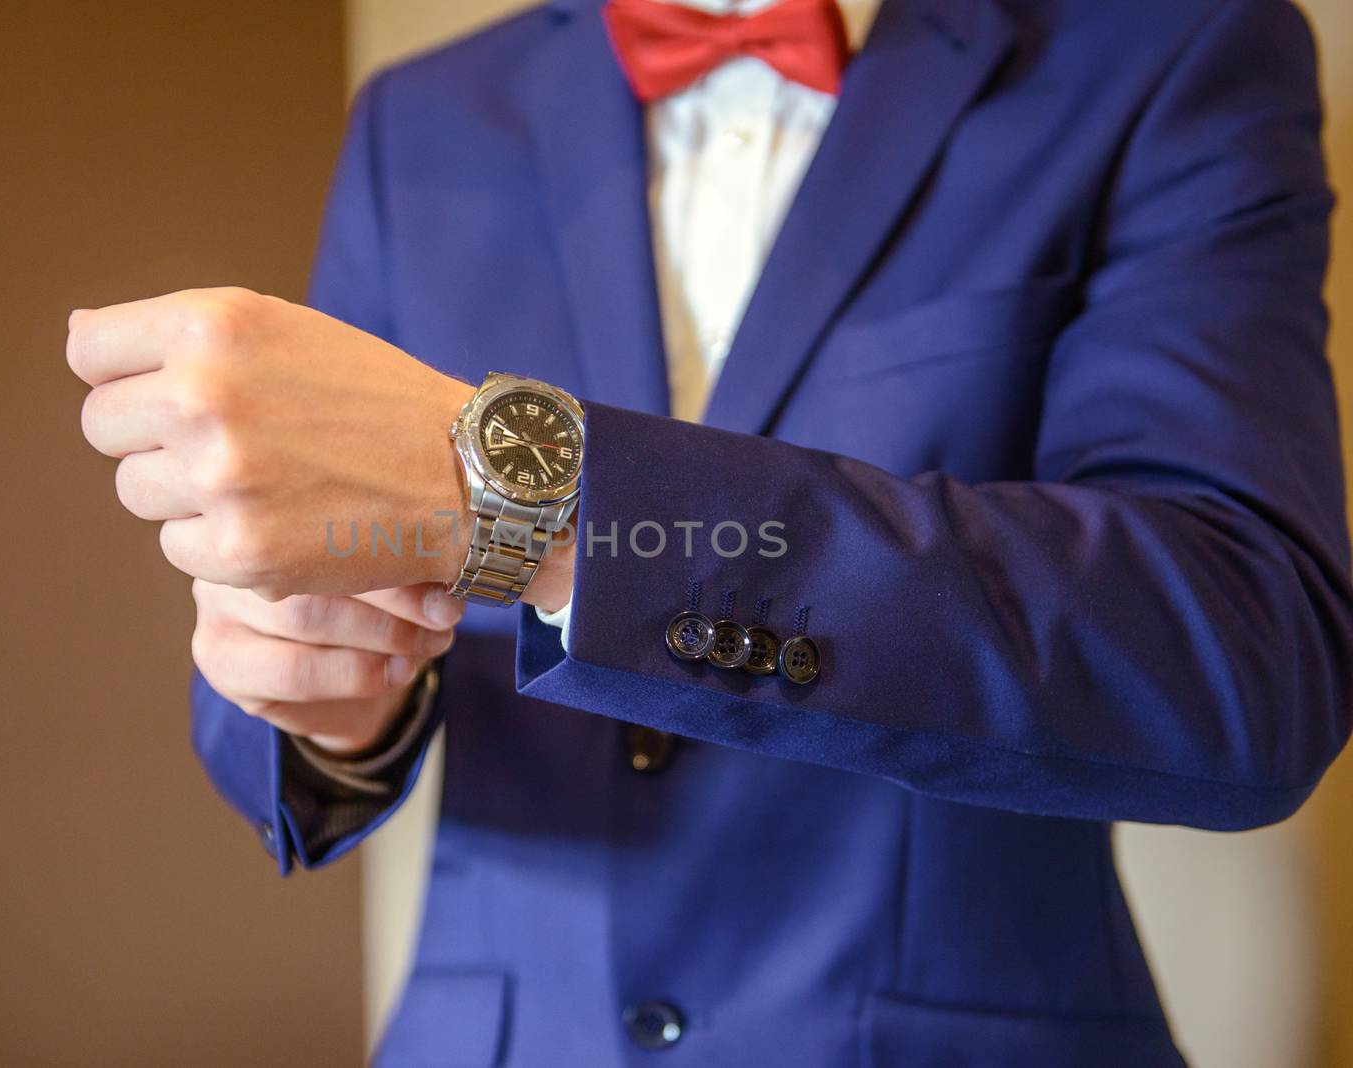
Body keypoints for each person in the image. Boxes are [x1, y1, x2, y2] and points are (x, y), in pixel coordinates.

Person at [66, 0, 1353, 1062]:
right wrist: (325, 699)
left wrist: (539, 500)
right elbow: (284, 701)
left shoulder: (1171, 48)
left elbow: (1243, 660)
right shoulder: (422, 118)